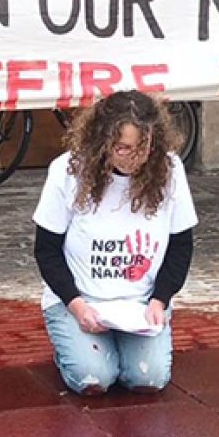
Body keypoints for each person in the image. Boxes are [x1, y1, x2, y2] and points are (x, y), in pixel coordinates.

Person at [33, 91, 197, 396]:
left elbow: (181, 246)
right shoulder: (67, 170)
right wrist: (76, 304)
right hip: (81, 300)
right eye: (123, 148)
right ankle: (72, 349)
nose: (133, 158)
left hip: (141, 303)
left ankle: (124, 346)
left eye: (142, 147)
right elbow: (46, 250)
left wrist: (160, 299)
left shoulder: (170, 169)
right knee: (93, 379)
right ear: (103, 142)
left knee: (148, 379)